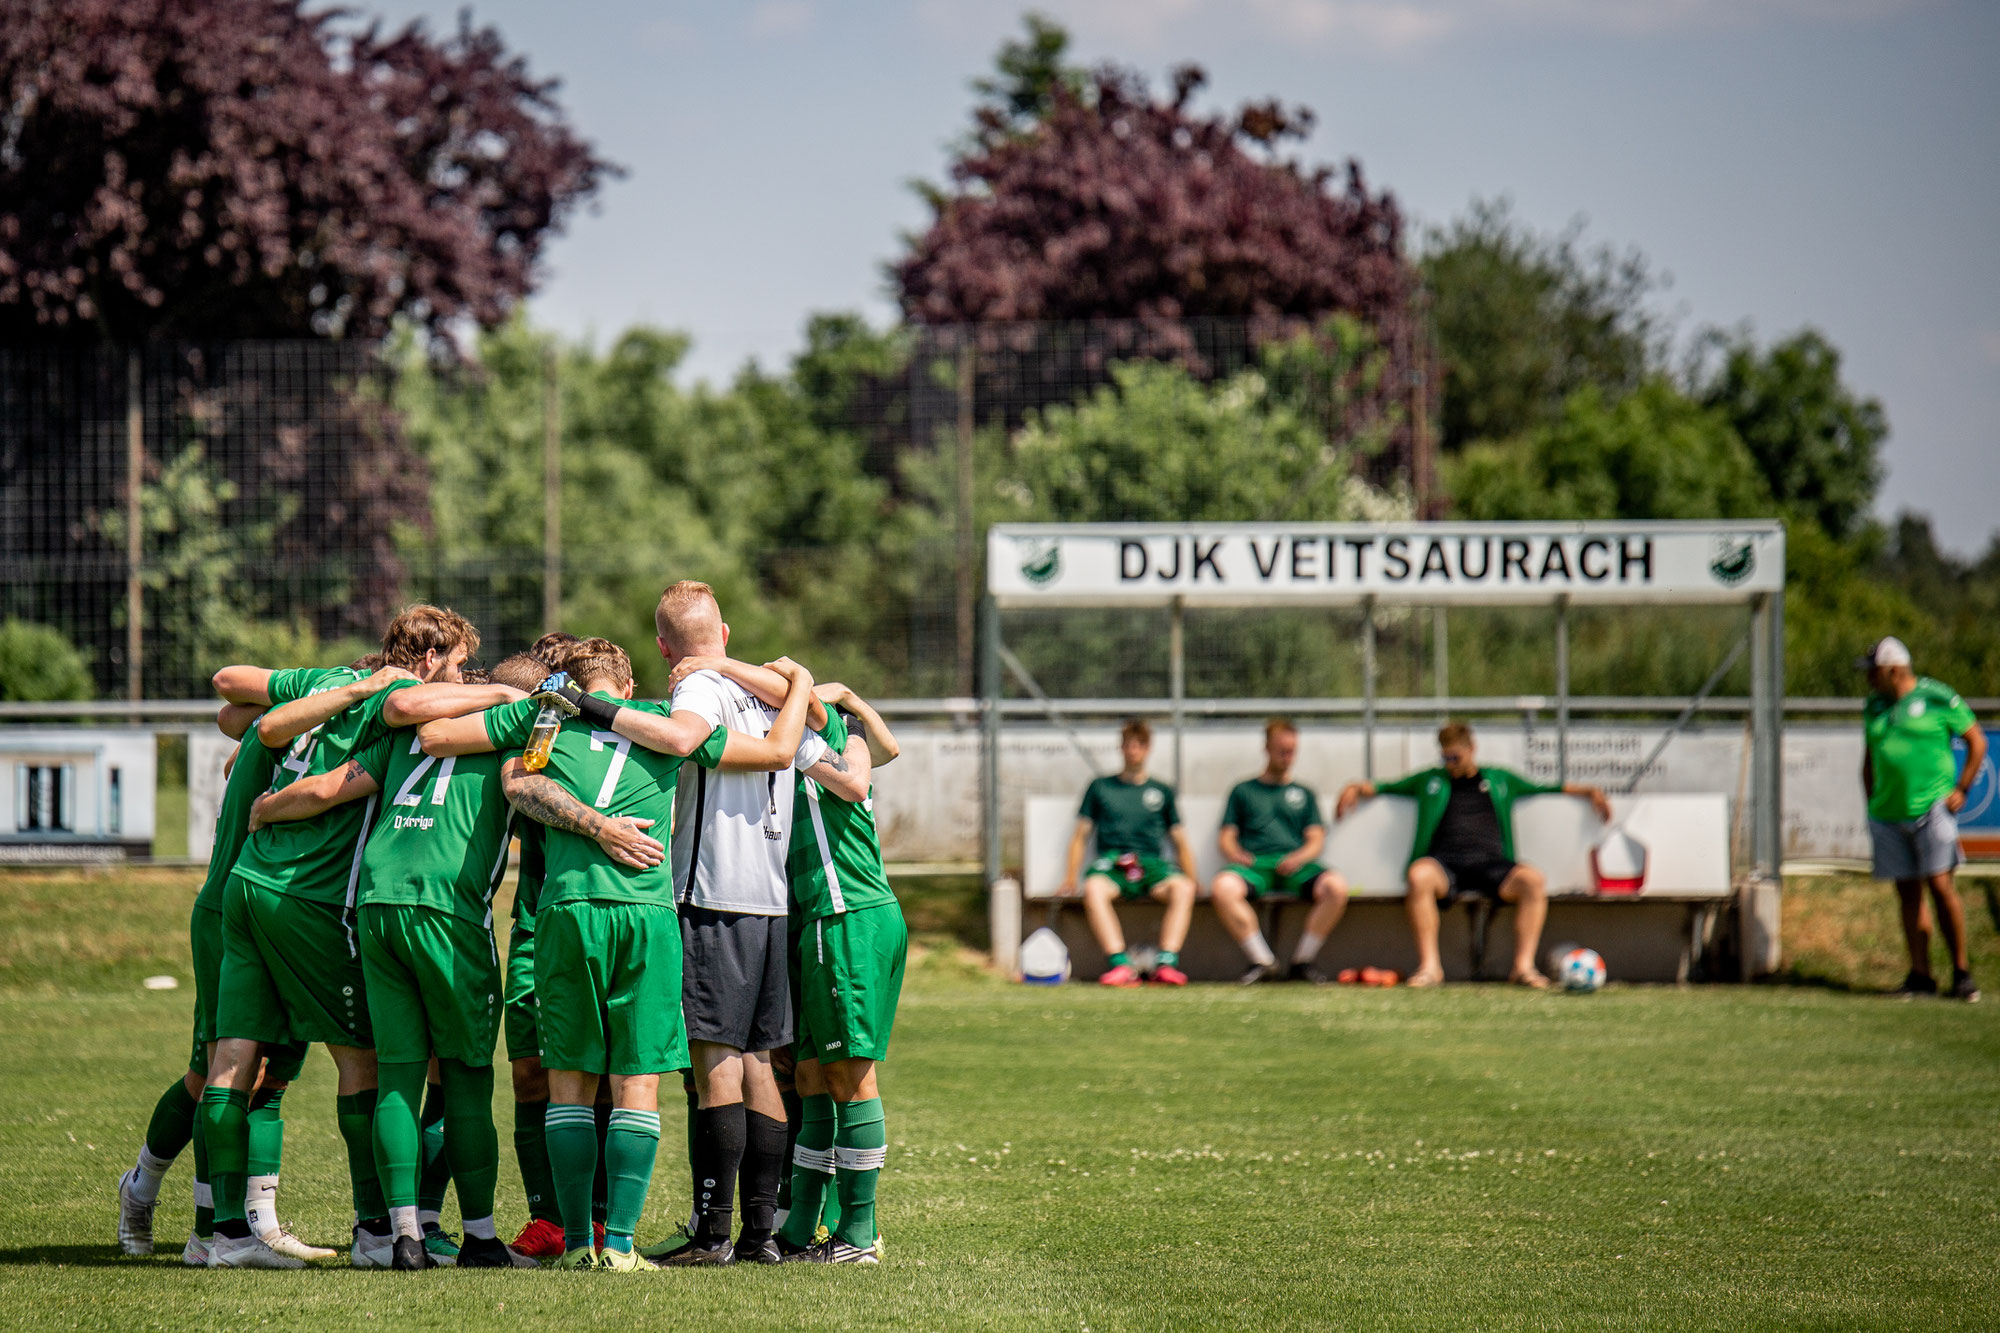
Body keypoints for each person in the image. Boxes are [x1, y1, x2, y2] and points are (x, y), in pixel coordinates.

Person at [421, 636, 816, 1272]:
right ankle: (623, 1247)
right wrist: (797, 682)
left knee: (569, 1082)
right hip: (646, 913)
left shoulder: (546, 714)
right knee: (638, 1081)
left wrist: (507, 700)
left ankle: (579, 1243)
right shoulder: (666, 723)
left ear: (571, 680)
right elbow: (777, 749)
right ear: (627, 688)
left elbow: (443, 740)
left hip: (568, 910)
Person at [588, 582, 862, 1267]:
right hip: (771, 898)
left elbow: (681, 740)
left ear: (662, 647)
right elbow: (822, 729)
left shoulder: (698, 693)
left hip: (713, 894)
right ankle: (760, 1233)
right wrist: (789, 674)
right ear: (726, 632)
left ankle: (712, 1232)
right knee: (761, 1063)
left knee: (715, 1062)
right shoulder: (770, 691)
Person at [200, 604, 479, 1268]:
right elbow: (321, 776)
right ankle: (376, 1230)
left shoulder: (328, 680)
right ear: (430, 662)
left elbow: (236, 712)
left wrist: (336, 698)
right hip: (311, 896)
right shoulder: (402, 699)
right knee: (365, 1060)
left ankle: (225, 1233)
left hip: (248, 880)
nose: (464, 682)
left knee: (234, 1059)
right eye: (462, 666)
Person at [243, 656, 544, 1268]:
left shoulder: (406, 736)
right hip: (447, 911)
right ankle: (483, 1240)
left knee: (400, 1075)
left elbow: (327, 788)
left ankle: (401, 1236)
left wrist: (267, 806)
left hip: (376, 907)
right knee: (465, 1076)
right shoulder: (520, 728)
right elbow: (537, 790)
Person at [671, 665, 905, 1263]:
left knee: (850, 1077)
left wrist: (726, 668)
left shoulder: (819, 740)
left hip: (844, 916)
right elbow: (890, 746)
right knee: (806, 1078)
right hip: (808, 924)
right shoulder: (793, 748)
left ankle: (858, 1235)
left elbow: (859, 771)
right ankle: (800, 1228)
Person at [115, 700, 324, 1265]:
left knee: (271, 1075)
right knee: (216, 1072)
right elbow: (234, 707)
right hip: (233, 913)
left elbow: (237, 742)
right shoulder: (305, 729)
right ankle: (165, 1205)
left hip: (290, 915)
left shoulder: (306, 737)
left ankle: (259, 1224)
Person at [1336, 720, 1610, 989]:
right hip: (1446, 864)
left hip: (1492, 864)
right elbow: (1385, 787)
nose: (1450, 764)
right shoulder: (1430, 779)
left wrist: (1590, 791)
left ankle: (1523, 967)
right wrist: (1353, 787)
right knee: (1419, 876)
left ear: (1471, 749)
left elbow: (1547, 787)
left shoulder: (1499, 778)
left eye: (1455, 757)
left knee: (1533, 880)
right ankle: (1430, 968)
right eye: (1445, 758)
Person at [1859, 636, 1985, 1001]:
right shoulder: (1874, 706)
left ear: (1894, 670)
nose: (1869, 680)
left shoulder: (1936, 696)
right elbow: (1869, 757)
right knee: (1907, 892)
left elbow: (1977, 741)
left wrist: (1961, 788)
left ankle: (1961, 973)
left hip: (1932, 808)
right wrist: (1870, 800)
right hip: (1888, 811)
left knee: (1941, 885)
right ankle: (1920, 975)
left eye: (1874, 672)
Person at [1058, 720, 1198, 987]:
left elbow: (1180, 840)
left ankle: (1166, 964)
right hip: (1112, 864)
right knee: (1094, 887)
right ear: (1121, 748)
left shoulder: (1161, 790)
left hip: (1152, 866)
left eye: (1139, 745)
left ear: (1148, 749)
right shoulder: (1101, 787)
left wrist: (1193, 878)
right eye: (1128, 745)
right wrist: (1069, 877)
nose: (1133, 750)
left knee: (1184, 888)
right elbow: (1080, 836)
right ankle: (1120, 965)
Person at [1211, 719, 1350, 985]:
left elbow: (1316, 840)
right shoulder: (1243, 791)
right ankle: (1263, 962)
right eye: (1281, 750)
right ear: (1267, 748)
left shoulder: (1304, 793)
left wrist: (1298, 857)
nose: (1287, 757)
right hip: (1255, 866)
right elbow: (1226, 837)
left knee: (1336, 887)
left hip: (1296, 866)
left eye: (1292, 751)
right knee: (1223, 888)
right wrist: (1237, 855)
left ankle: (1302, 962)